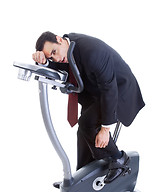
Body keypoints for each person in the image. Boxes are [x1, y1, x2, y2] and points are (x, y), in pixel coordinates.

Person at [32, 32, 145, 183]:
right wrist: (44, 62)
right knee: (83, 132)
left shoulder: (92, 51)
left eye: (54, 52)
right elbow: (57, 65)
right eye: (51, 57)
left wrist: (105, 129)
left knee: (88, 123)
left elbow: (109, 89)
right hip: (97, 92)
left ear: (59, 39)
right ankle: (81, 178)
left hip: (119, 91)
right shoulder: (64, 51)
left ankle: (119, 160)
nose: (56, 58)